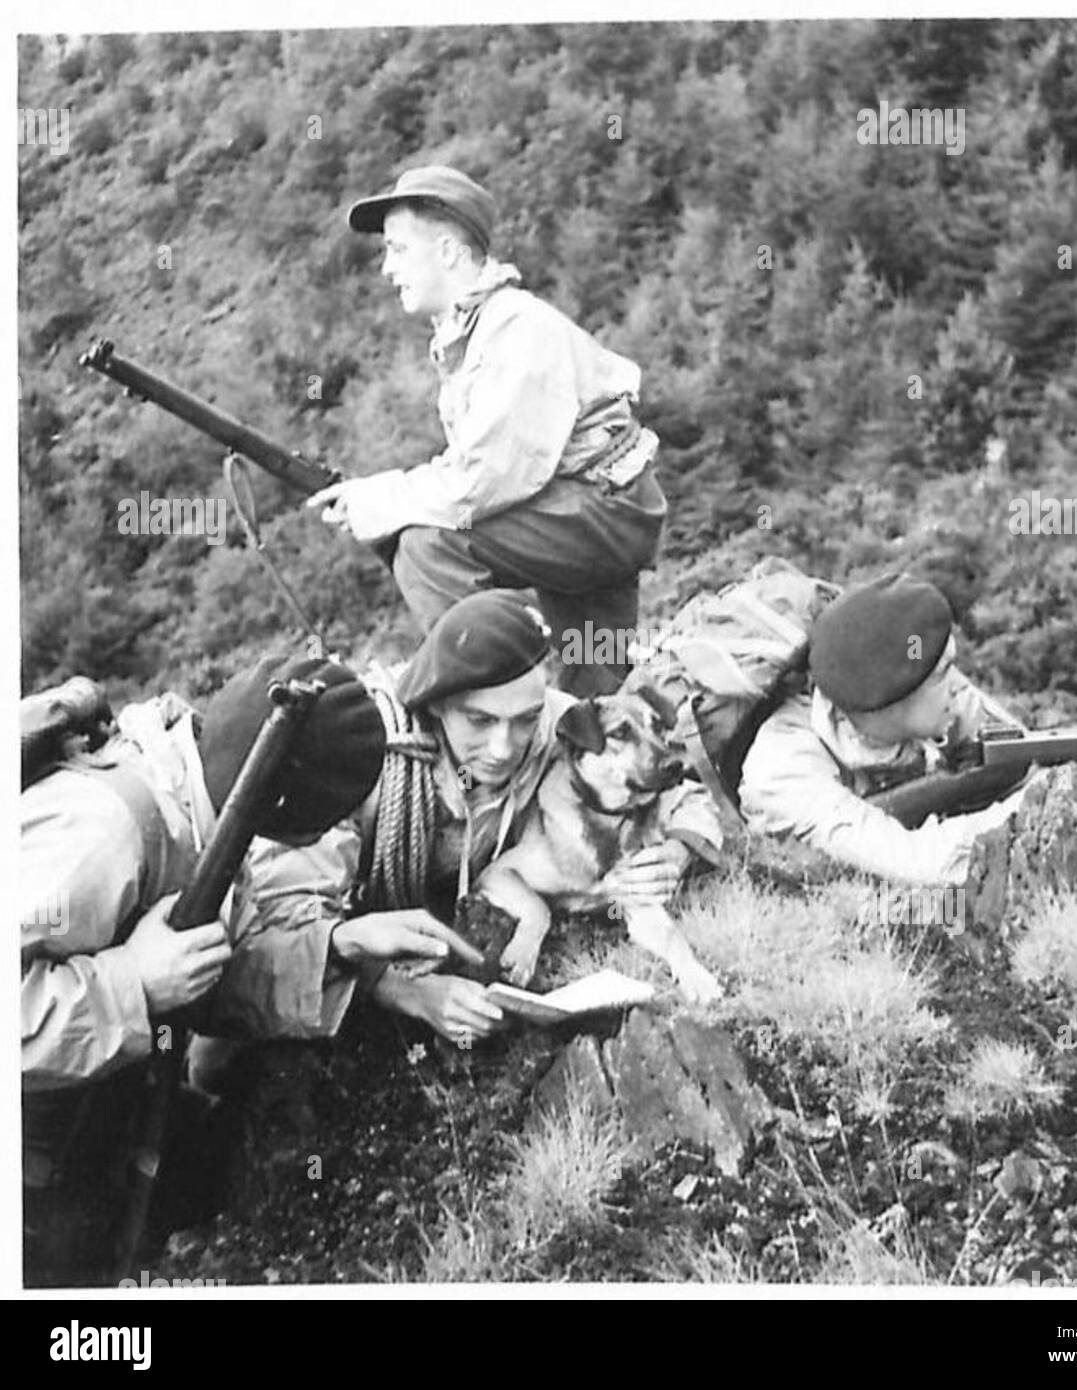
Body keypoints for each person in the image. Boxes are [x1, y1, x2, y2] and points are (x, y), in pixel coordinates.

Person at [20, 654, 451, 1286]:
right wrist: (133, 983)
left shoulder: (202, 807)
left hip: (97, 1123)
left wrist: (337, 947)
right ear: (293, 813)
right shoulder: (102, 833)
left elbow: (210, 980)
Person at [197, 591, 722, 1055]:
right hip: (332, 970)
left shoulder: (552, 724)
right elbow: (288, 931)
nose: (503, 748)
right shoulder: (359, 761)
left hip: (441, 933)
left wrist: (675, 853)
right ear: (437, 703)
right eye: (479, 721)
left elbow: (687, 797)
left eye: (522, 720)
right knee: (234, 1068)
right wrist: (408, 993)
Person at [307, 165, 666, 696]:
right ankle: (601, 742)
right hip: (592, 511)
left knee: (426, 545)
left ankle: (489, 696)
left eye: (399, 250)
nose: (387, 269)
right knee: (598, 703)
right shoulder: (478, 332)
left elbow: (484, 481)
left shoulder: (515, 328)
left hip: (600, 512)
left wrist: (379, 501)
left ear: (449, 252)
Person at [739, 574, 1026, 885]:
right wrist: (1038, 803)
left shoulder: (936, 705)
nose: (959, 686)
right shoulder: (783, 769)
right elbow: (920, 865)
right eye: (942, 673)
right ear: (892, 697)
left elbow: (1026, 757)